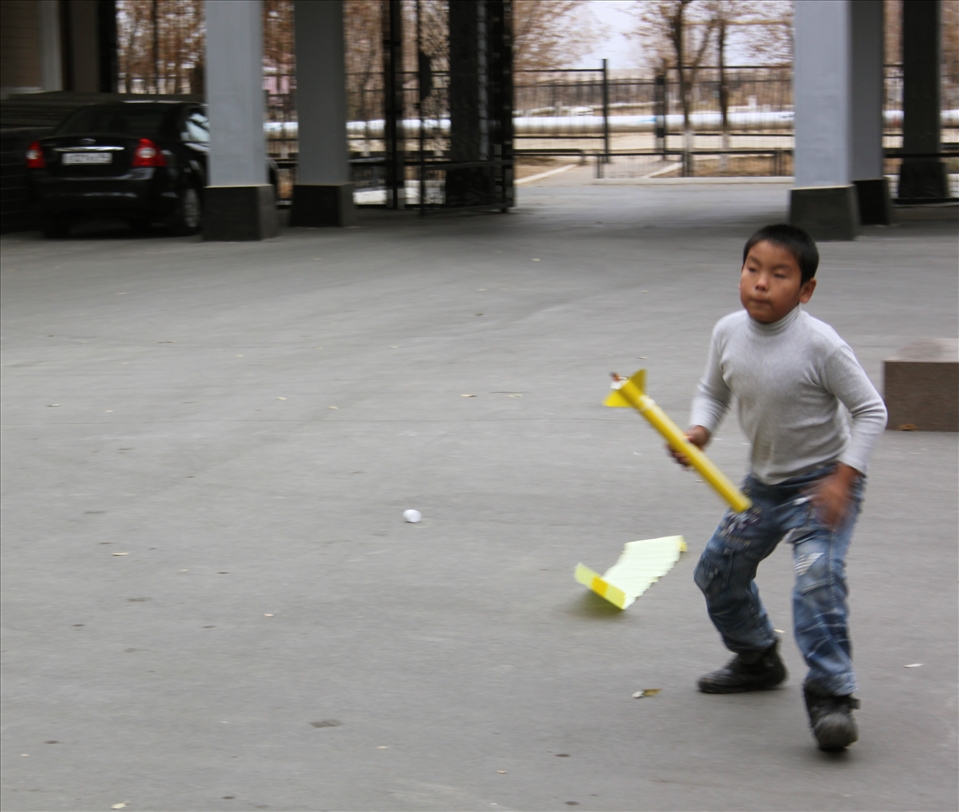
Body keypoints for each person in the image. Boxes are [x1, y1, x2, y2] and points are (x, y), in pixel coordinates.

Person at [670, 223, 887, 751]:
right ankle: (757, 657)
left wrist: (843, 477)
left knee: (817, 580)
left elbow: (870, 410)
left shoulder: (820, 345)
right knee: (717, 573)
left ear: (805, 289)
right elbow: (712, 390)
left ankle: (833, 696)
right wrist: (699, 430)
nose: (760, 284)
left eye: (779, 274)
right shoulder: (727, 332)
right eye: (752, 269)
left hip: (821, 489)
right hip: (762, 489)